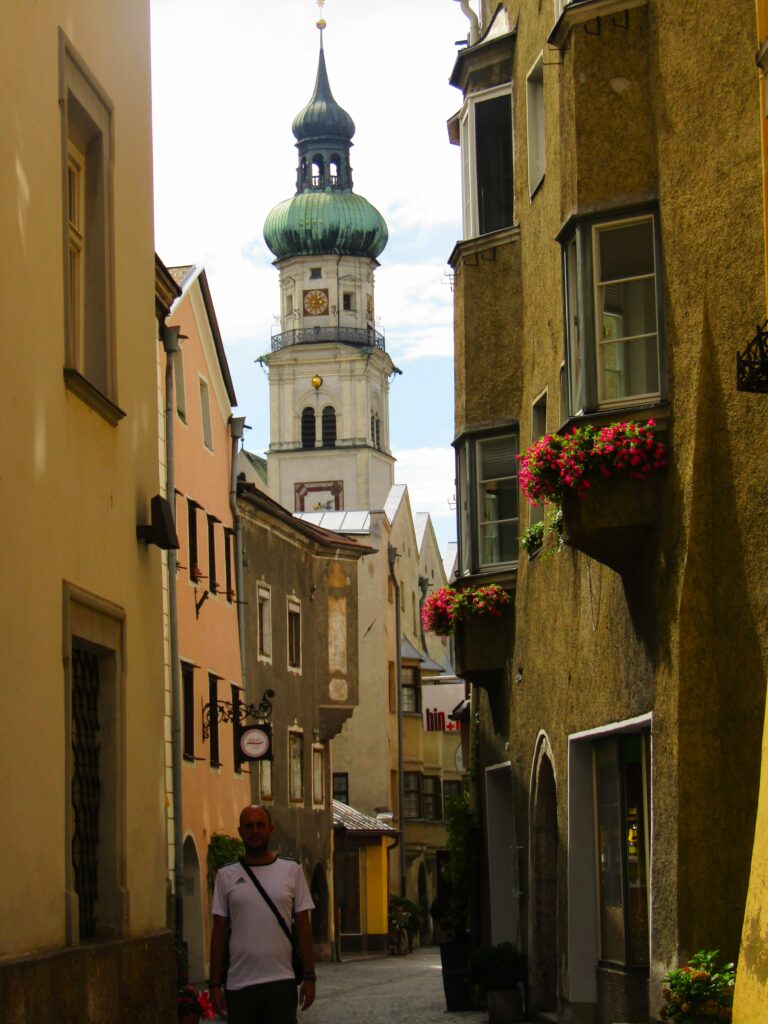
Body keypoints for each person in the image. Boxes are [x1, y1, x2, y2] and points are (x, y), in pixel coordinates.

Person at [209, 804, 316, 1022]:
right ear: (240, 832)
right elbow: (219, 932)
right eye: (249, 826)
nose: (255, 831)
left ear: (270, 829)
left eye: (260, 825)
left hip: (281, 982)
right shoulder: (226, 875)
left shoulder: (291, 870)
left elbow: (303, 926)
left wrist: (309, 976)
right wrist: (214, 984)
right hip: (239, 985)